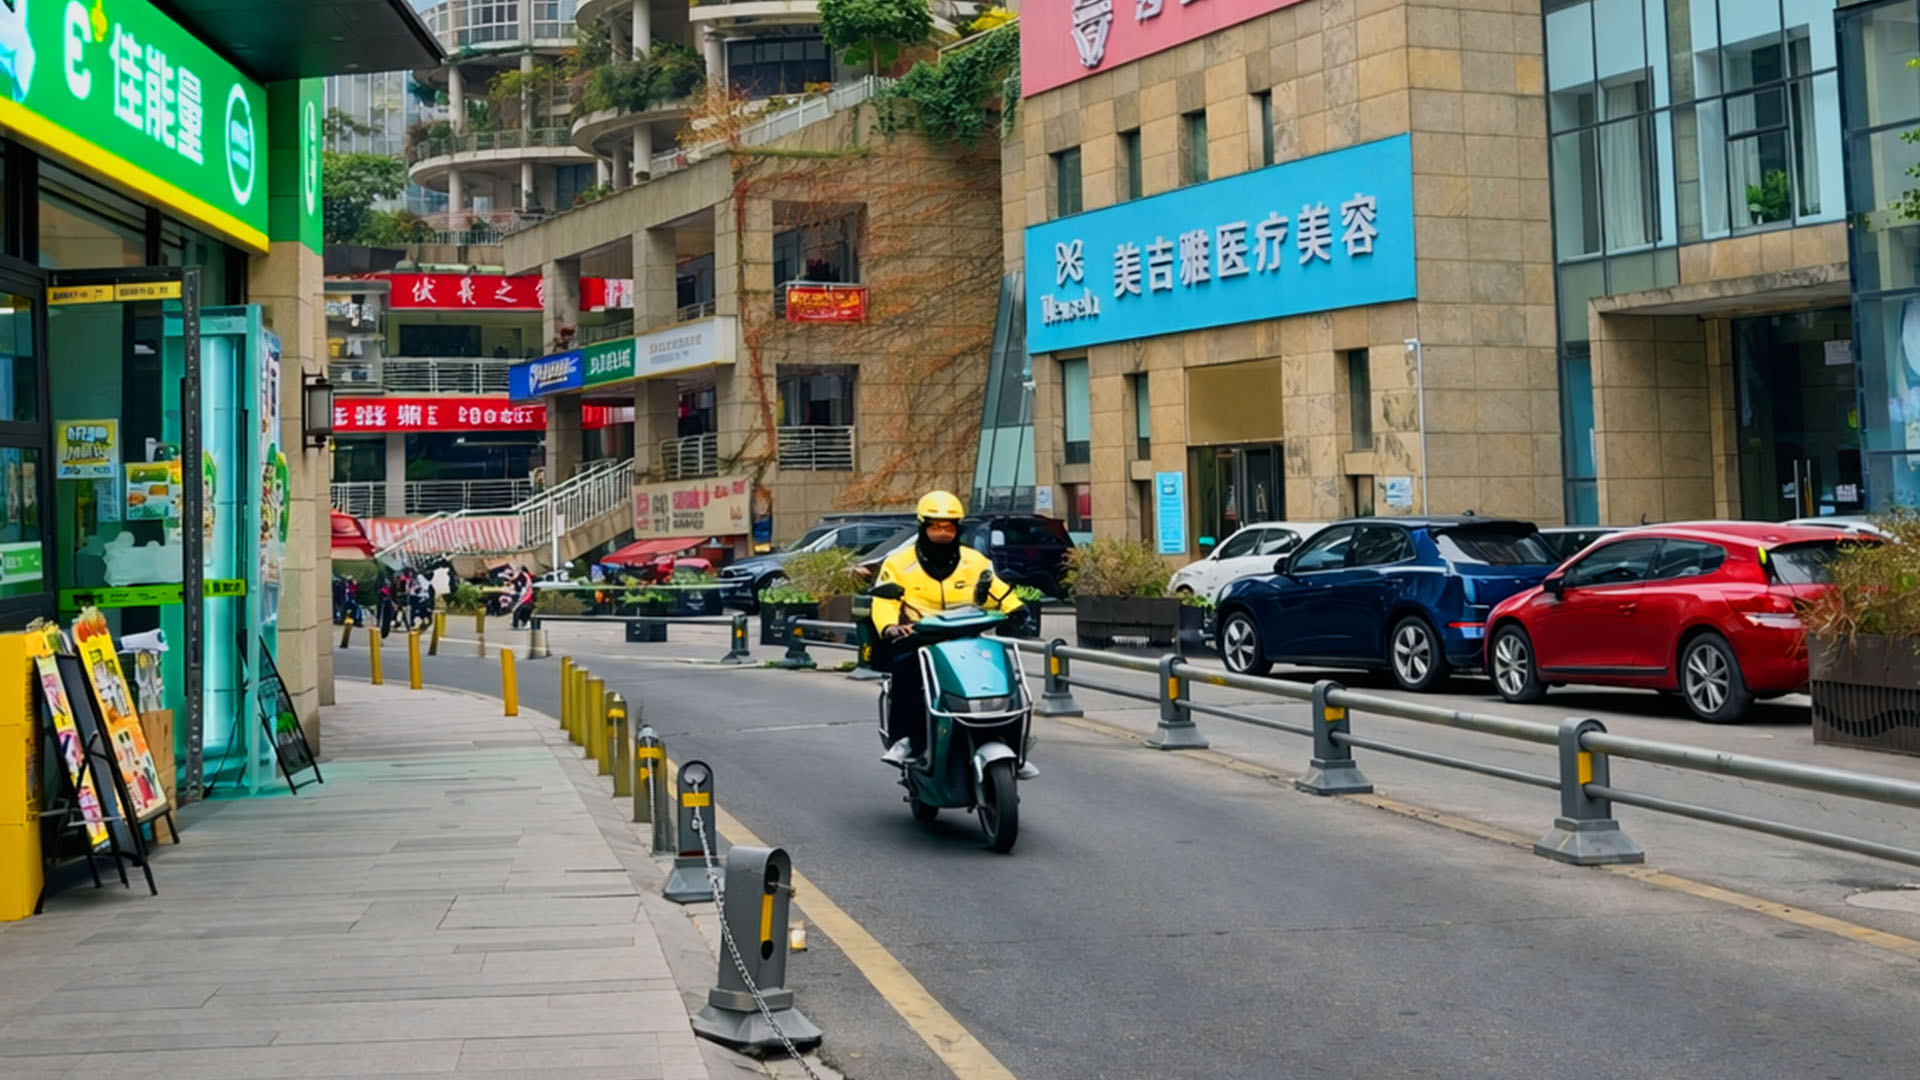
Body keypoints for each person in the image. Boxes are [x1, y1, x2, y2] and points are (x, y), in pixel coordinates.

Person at [869, 490, 1025, 766]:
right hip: (920, 639)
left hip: (968, 636)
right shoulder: (898, 563)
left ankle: (1012, 745)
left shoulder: (975, 561)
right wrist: (890, 626)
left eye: (949, 526)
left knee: (1003, 674)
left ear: (958, 528)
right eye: (936, 526)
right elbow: (884, 600)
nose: (942, 532)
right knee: (908, 673)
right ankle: (905, 741)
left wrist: (1017, 609)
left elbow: (996, 589)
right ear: (923, 526)